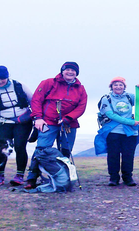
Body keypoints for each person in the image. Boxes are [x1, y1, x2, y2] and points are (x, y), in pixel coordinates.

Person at [24, 61, 88, 189]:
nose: (70, 72)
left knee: (65, 150)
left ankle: (63, 178)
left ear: (77, 73)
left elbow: (81, 106)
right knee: (41, 149)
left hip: (69, 123)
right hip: (47, 122)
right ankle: (32, 178)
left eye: (73, 70)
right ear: (62, 71)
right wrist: (38, 118)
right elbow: (36, 100)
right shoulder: (48, 83)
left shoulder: (80, 88)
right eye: (67, 69)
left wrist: (68, 118)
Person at [94, 77, 139, 186]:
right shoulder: (106, 98)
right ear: (111, 86)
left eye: (120, 84)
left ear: (124, 86)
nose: (118, 87)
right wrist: (131, 122)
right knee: (113, 155)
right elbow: (110, 115)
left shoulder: (129, 96)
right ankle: (114, 178)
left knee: (128, 155)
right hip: (113, 131)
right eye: (115, 84)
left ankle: (128, 178)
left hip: (130, 132)